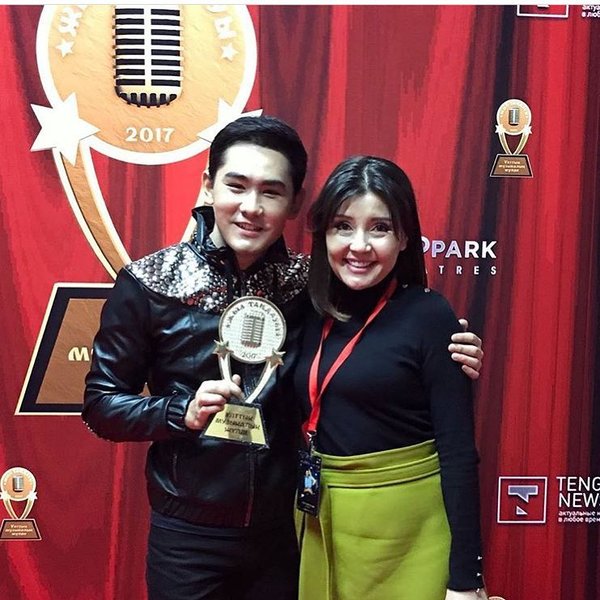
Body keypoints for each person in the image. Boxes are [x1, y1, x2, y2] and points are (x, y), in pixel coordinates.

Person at [82, 116, 484, 600]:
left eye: (271, 192)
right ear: (209, 185)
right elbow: (101, 406)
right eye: (236, 186)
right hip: (188, 535)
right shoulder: (149, 283)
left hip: (287, 529)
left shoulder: (310, 286)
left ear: (295, 203)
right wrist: (179, 411)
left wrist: (451, 346)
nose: (251, 207)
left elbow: (385, 329)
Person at [293, 156, 487, 600]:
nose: (359, 246)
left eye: (379, 228)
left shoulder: (431, 316)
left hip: (410, 535)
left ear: (403, 238)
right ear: (323, 234)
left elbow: (458, 455)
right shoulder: (306, 310)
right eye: (343, 226)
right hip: (320, 522)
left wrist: (466, 580)